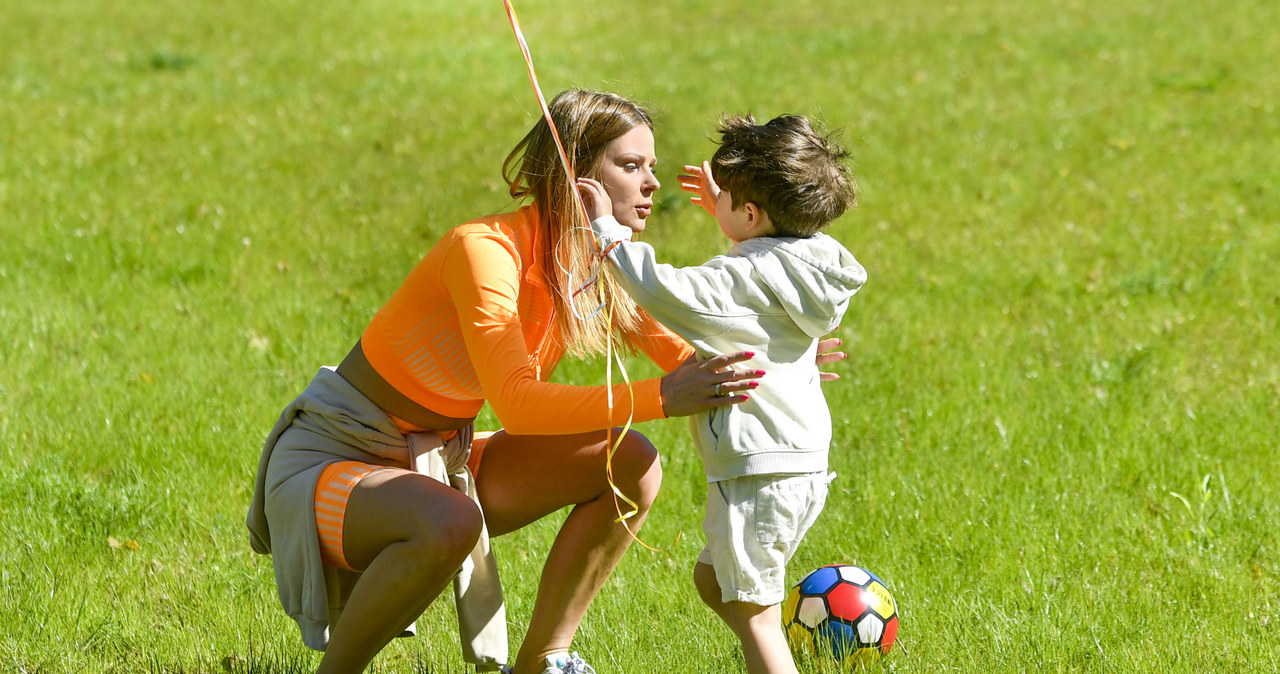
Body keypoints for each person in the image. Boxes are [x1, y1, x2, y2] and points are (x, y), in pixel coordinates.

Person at [246, 90, 847, 674]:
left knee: (630, 463)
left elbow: (688, 357)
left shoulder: (594, 266)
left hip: (434, 462)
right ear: (575, 175)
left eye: (652, 166)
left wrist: (779, 369)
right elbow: (518, 406)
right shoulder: (484, 250)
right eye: (631, 165)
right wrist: (662, 399)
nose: (652, 184)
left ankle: (543, 662)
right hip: (331, 465)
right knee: (451, 520)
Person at [578, 113, 866, 674]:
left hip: (759, 471)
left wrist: (607, 234)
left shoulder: (743, 279)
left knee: (755, 613)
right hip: (798, 466)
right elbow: (760, 271)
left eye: (729, 198)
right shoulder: (808, 267)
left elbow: (670, 292)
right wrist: (729, 214)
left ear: (753, 215)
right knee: (714, 580)